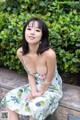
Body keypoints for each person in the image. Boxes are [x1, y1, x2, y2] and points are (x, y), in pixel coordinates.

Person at [1, 17, 63, 120]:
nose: (32, 32)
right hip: (36, 85)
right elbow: (30, 74)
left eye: (37, 30)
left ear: (43, 36)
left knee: (35, 107)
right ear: (24, 32)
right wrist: (33, 91)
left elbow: (49, 80)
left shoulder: (49, 54)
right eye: (29, 29)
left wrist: (38, 94)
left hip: (52, 88)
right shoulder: (20, 52)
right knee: (9, 97)